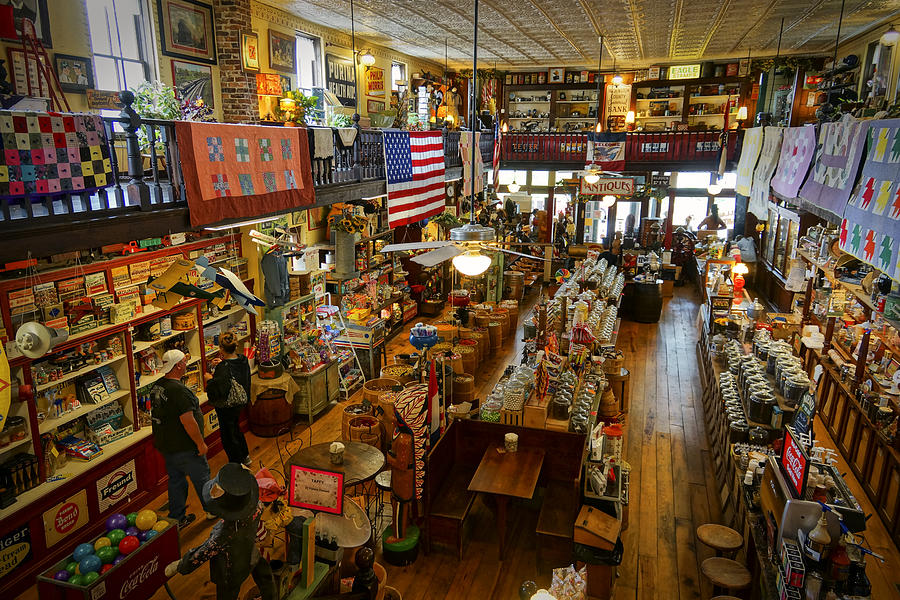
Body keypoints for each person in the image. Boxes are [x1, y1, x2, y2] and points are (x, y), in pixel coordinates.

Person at [166, 463, 277, 600]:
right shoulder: (258, 506)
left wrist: (181, 565)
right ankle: (271, 596)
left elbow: (202, 553)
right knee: (264, 575)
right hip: (250, 550)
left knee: (228, 594)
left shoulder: (224, 534)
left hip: (231, 570)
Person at [150, 349, 211, 529]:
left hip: (167, 446)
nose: (186, 365)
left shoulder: (158, 386)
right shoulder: (179, 391)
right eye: (184, 362)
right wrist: (200, 443)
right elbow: (188, 422)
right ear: (178, 366)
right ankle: (212, 510)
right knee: (202, 480)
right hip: (185, 447)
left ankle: (176, 518)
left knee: (176, 481)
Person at [204, 332, 252, 466]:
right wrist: (222, 364)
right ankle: (245, 456)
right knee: (236, 429)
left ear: (221, 348)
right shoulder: (242, 359)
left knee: (228, 435)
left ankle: (236, 463)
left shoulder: (223, 367)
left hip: (227, 406)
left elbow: (220, 389)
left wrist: (209, 380)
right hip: (241, 401)